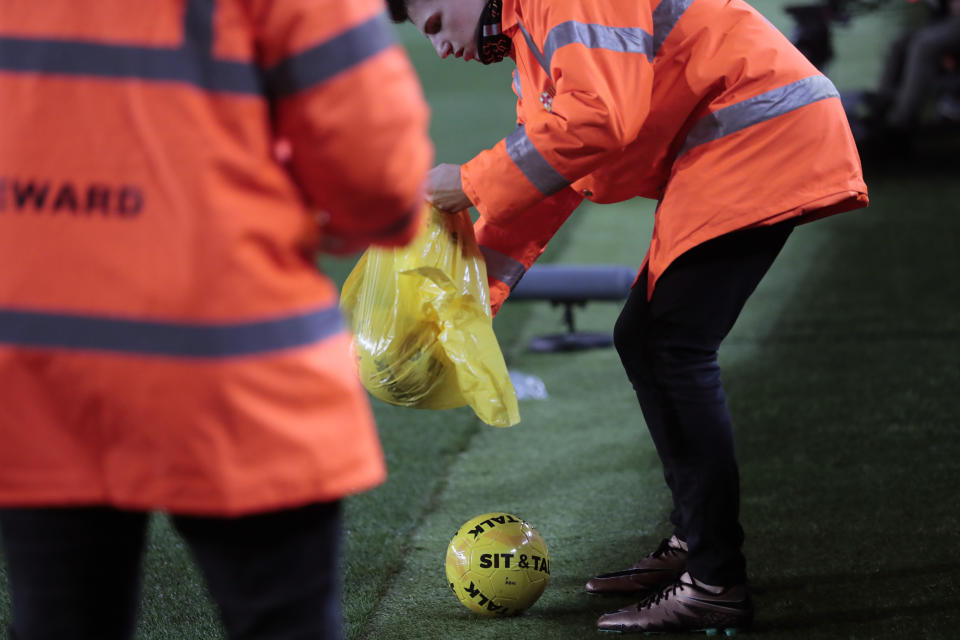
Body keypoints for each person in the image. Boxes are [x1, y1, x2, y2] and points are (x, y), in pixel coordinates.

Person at [387, 0, 867, 633]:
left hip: (757, 139)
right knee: (650, 341)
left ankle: (716, 580)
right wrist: (464, 304)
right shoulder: (530, 31)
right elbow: (552, 175)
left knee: (669, 346)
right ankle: (699, 545)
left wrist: (472, 181)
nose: (440, 48)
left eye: (433, 26)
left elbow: (598, 121)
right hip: (742, 140)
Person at [0, 0, 431, 638]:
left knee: (59, 615)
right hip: (233, 360)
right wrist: (357, 223)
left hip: (30, 362)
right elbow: (375, 167)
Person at [871, 0, 960, 132]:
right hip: (945, 22)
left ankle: (901, 121)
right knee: (899, 43)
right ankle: (879, 109)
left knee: (923, 45)